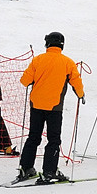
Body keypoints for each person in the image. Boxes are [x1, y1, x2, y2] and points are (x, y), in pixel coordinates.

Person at [16, 32, 85, 183]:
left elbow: (25, 81)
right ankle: (49, 171)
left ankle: (26, 168)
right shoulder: (67, 62)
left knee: (33, 137)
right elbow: (76, 82)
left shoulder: (38, 59)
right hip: (54, 107)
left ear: (47, 44)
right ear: (62, 45)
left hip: (36, 105)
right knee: (53, 139)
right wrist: (81, 94)